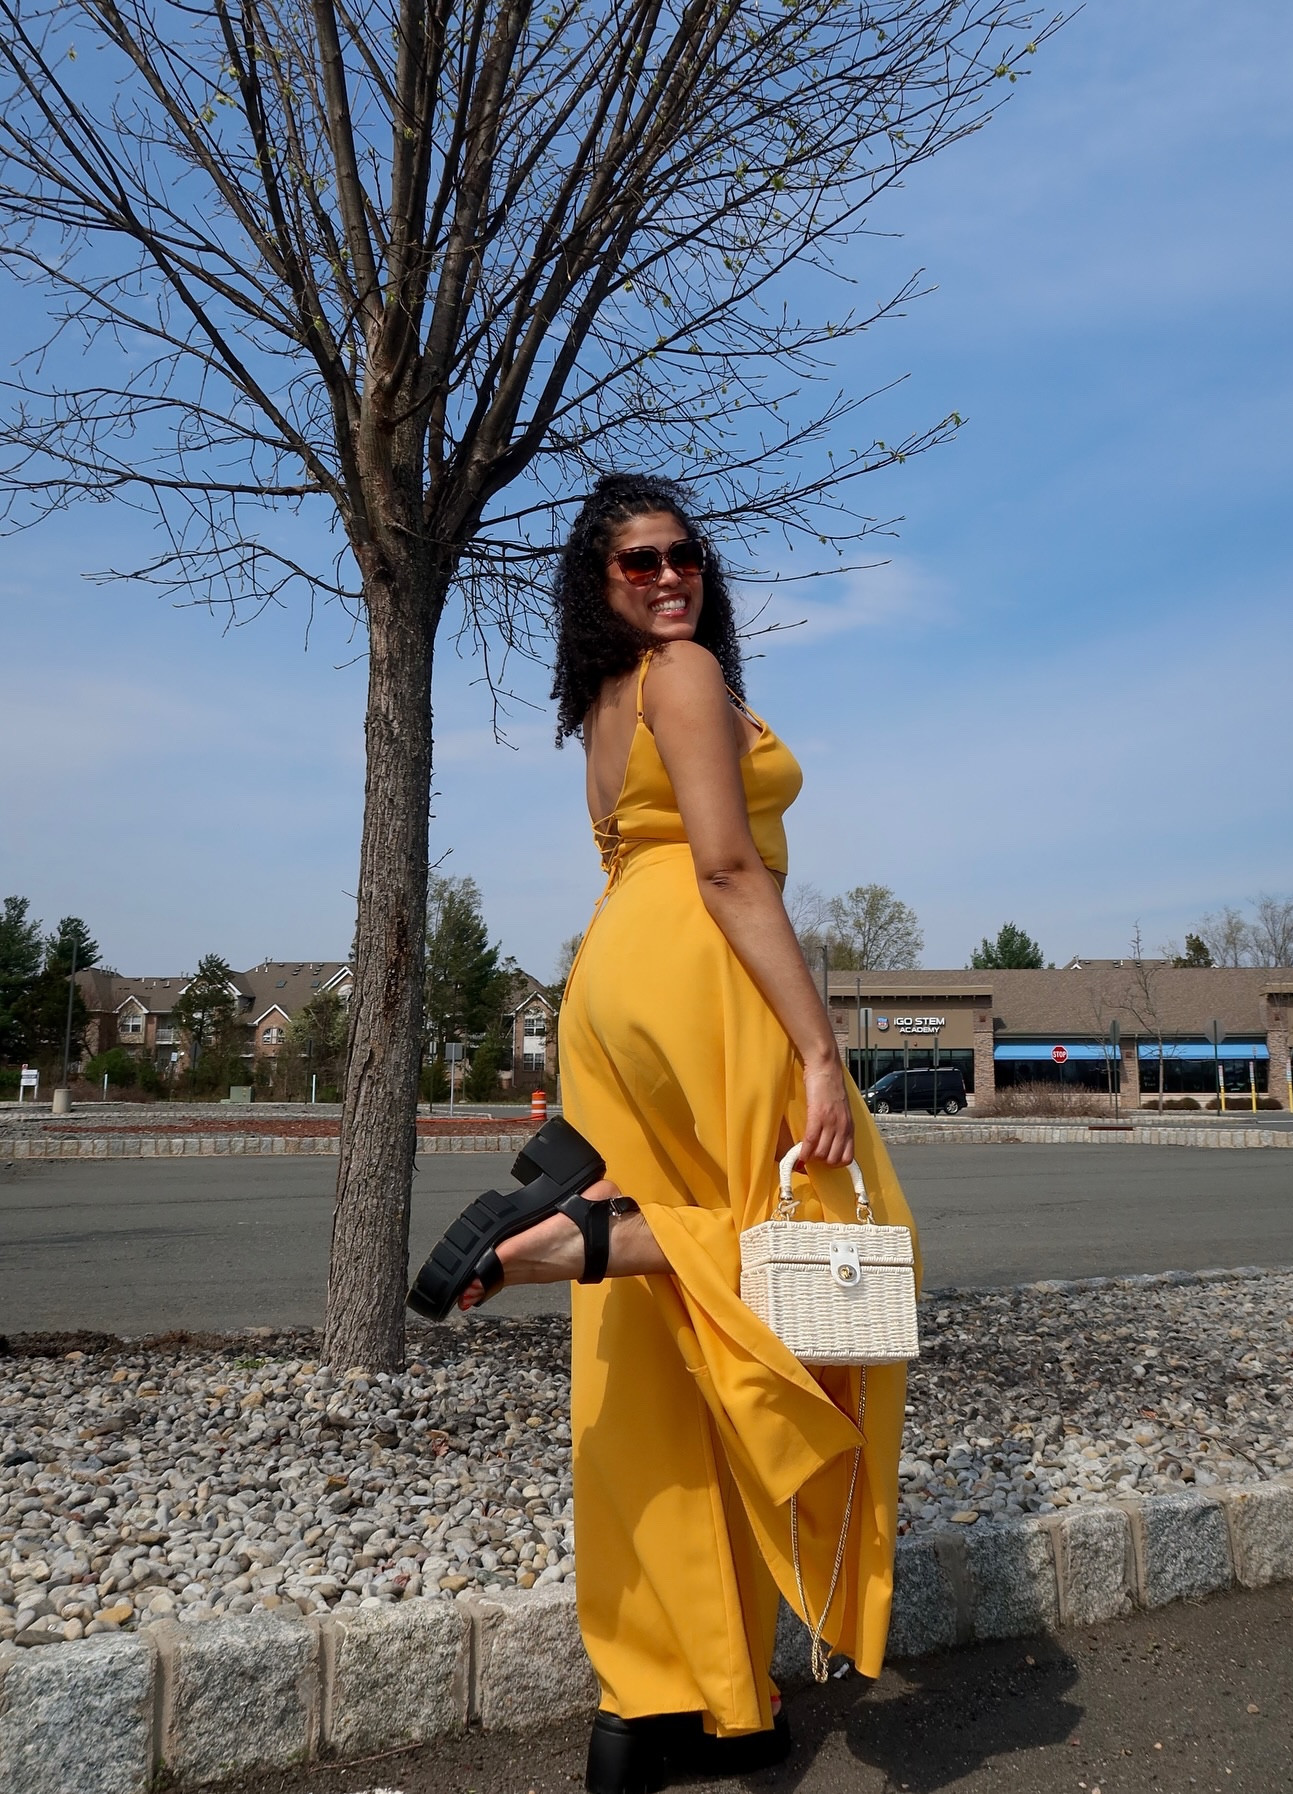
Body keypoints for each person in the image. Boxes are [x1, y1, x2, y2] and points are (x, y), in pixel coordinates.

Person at [460, 471, 918, 1793]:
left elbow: (645, 859)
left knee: (659, 1356)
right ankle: (589, 1238)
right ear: (600, 586)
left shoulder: (604, 704)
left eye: (683, 558)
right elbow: (725, 865)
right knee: (830, 1237)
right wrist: (820, 1044)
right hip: (703, 974)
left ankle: (683, 1694)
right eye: (637, 564)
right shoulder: (684, 675)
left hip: (616, 985)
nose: (669, 580)